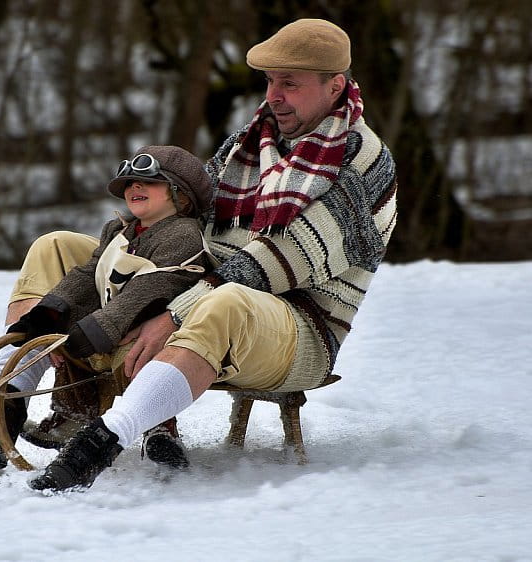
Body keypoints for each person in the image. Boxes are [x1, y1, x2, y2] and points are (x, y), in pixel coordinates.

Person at [25, 17, 399, 492]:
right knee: (58, 249)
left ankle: (100, 442)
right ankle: (2, 398)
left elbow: (275, 265)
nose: (273, 96)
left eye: (290, 84)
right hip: (206, 285)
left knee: (227, 303)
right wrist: (128, 247)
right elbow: (188, 213)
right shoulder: (251, 143)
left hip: (300, 328)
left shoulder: (360, 159)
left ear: (335, 86)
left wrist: (173, 313)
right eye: (269, 81)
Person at [0, 145, 214, 471]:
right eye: (130, 182)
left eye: (149, 182)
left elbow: (149, 291)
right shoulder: (120, 231)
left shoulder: (183, 235)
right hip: (113, 324)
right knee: (38, 333)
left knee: (86, 344)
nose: (135, 188)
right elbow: (88, 276)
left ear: (182, 196)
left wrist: (93, 331)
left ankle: (152, 434)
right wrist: (50, 312)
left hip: (146, 336)